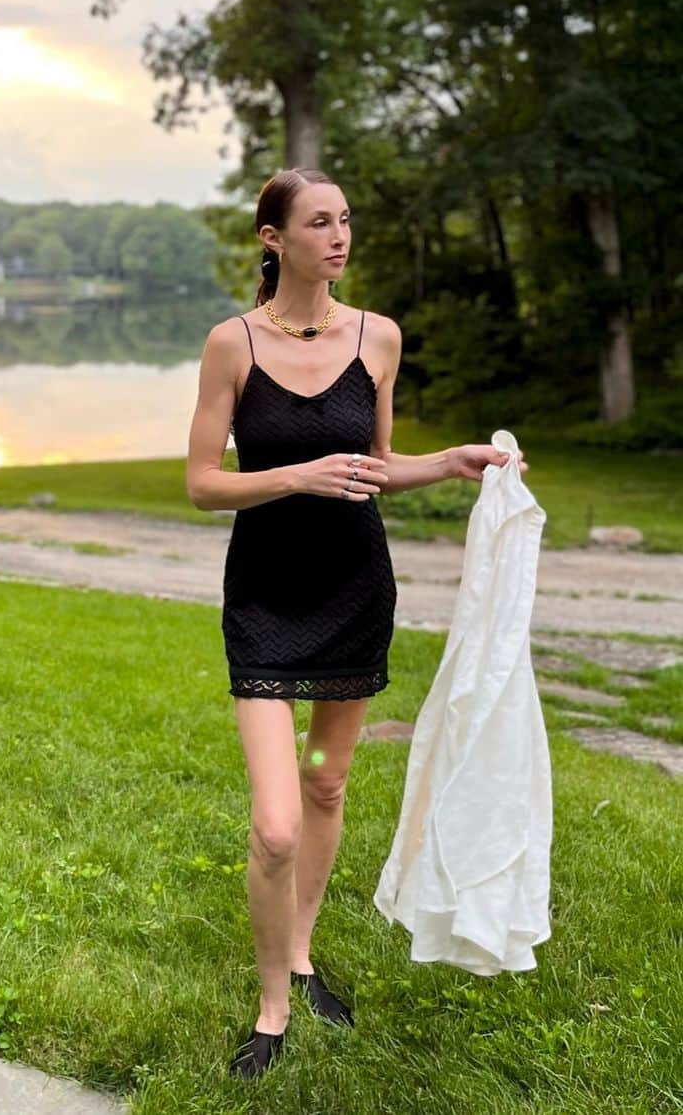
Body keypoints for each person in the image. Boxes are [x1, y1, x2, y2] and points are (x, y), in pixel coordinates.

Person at [184, 167, 528, 1079]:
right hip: (264, 597)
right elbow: (201, 483)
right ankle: (269, 1008)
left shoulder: (378, 336)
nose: (339, 237)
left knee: (327, 785)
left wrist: (444, 463)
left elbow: (373, 464)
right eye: (319, 222)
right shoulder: (232, 344)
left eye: (346, 222)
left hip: (353, 592)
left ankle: (300, 953)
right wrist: (293, 476)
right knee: (277, 824)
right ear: (273, 238)